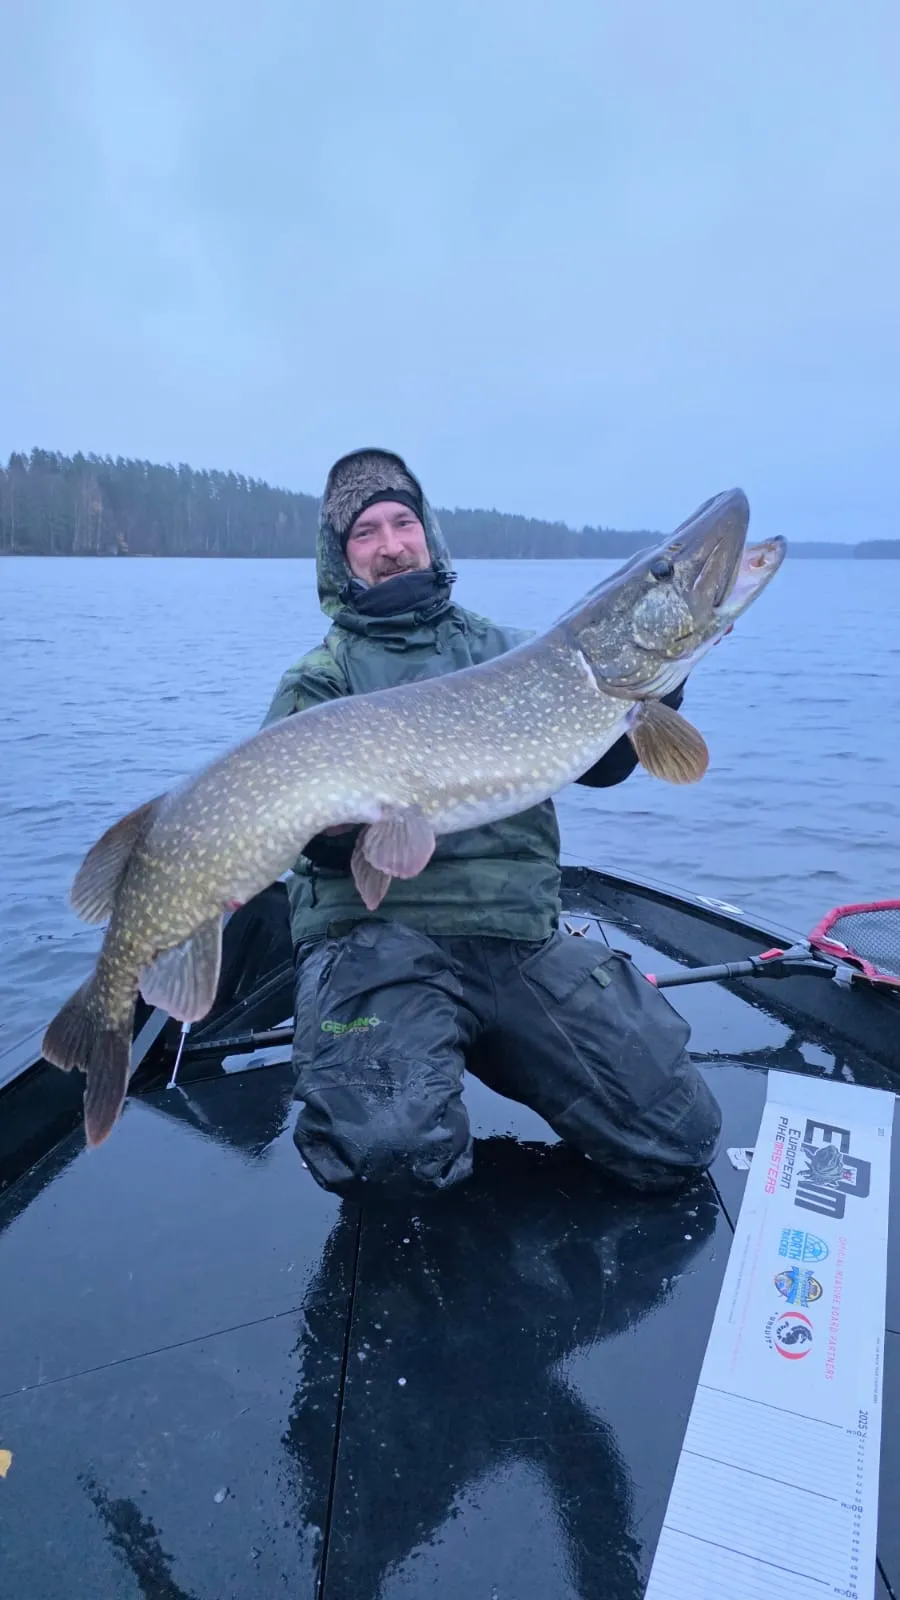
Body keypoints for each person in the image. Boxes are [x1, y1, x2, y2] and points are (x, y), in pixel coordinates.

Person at [262, 448, 721, 1198]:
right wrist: (343, 818)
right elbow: (304, 844)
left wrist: (666, 675)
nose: (389, 544)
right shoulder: (320, 679)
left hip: (515, 934)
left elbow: (603, 765)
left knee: (679, 1133)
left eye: (402, 522)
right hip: (375, 937)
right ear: (341, 558)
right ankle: (427, 1043)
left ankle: (479, 1040)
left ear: (428, 533)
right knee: (385, 1149)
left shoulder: (506, 651)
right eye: (365, 533)